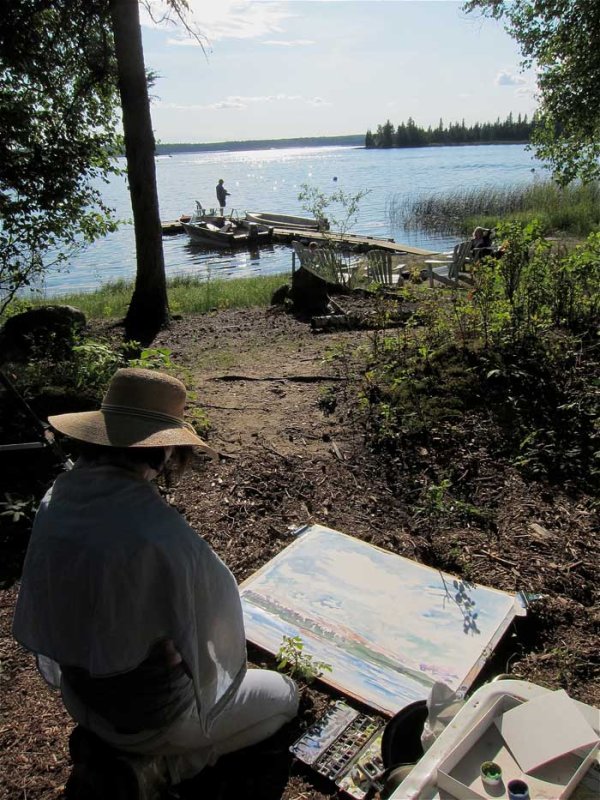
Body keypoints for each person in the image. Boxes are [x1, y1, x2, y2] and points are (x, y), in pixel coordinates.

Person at [12, 368, 298, 796]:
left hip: (80, 697)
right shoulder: (161, 536)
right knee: (285, 696)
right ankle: (157, 770)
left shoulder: (58, 497)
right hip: (151, 719)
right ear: (162, 450)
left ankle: (118, 751)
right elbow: (209, 637)